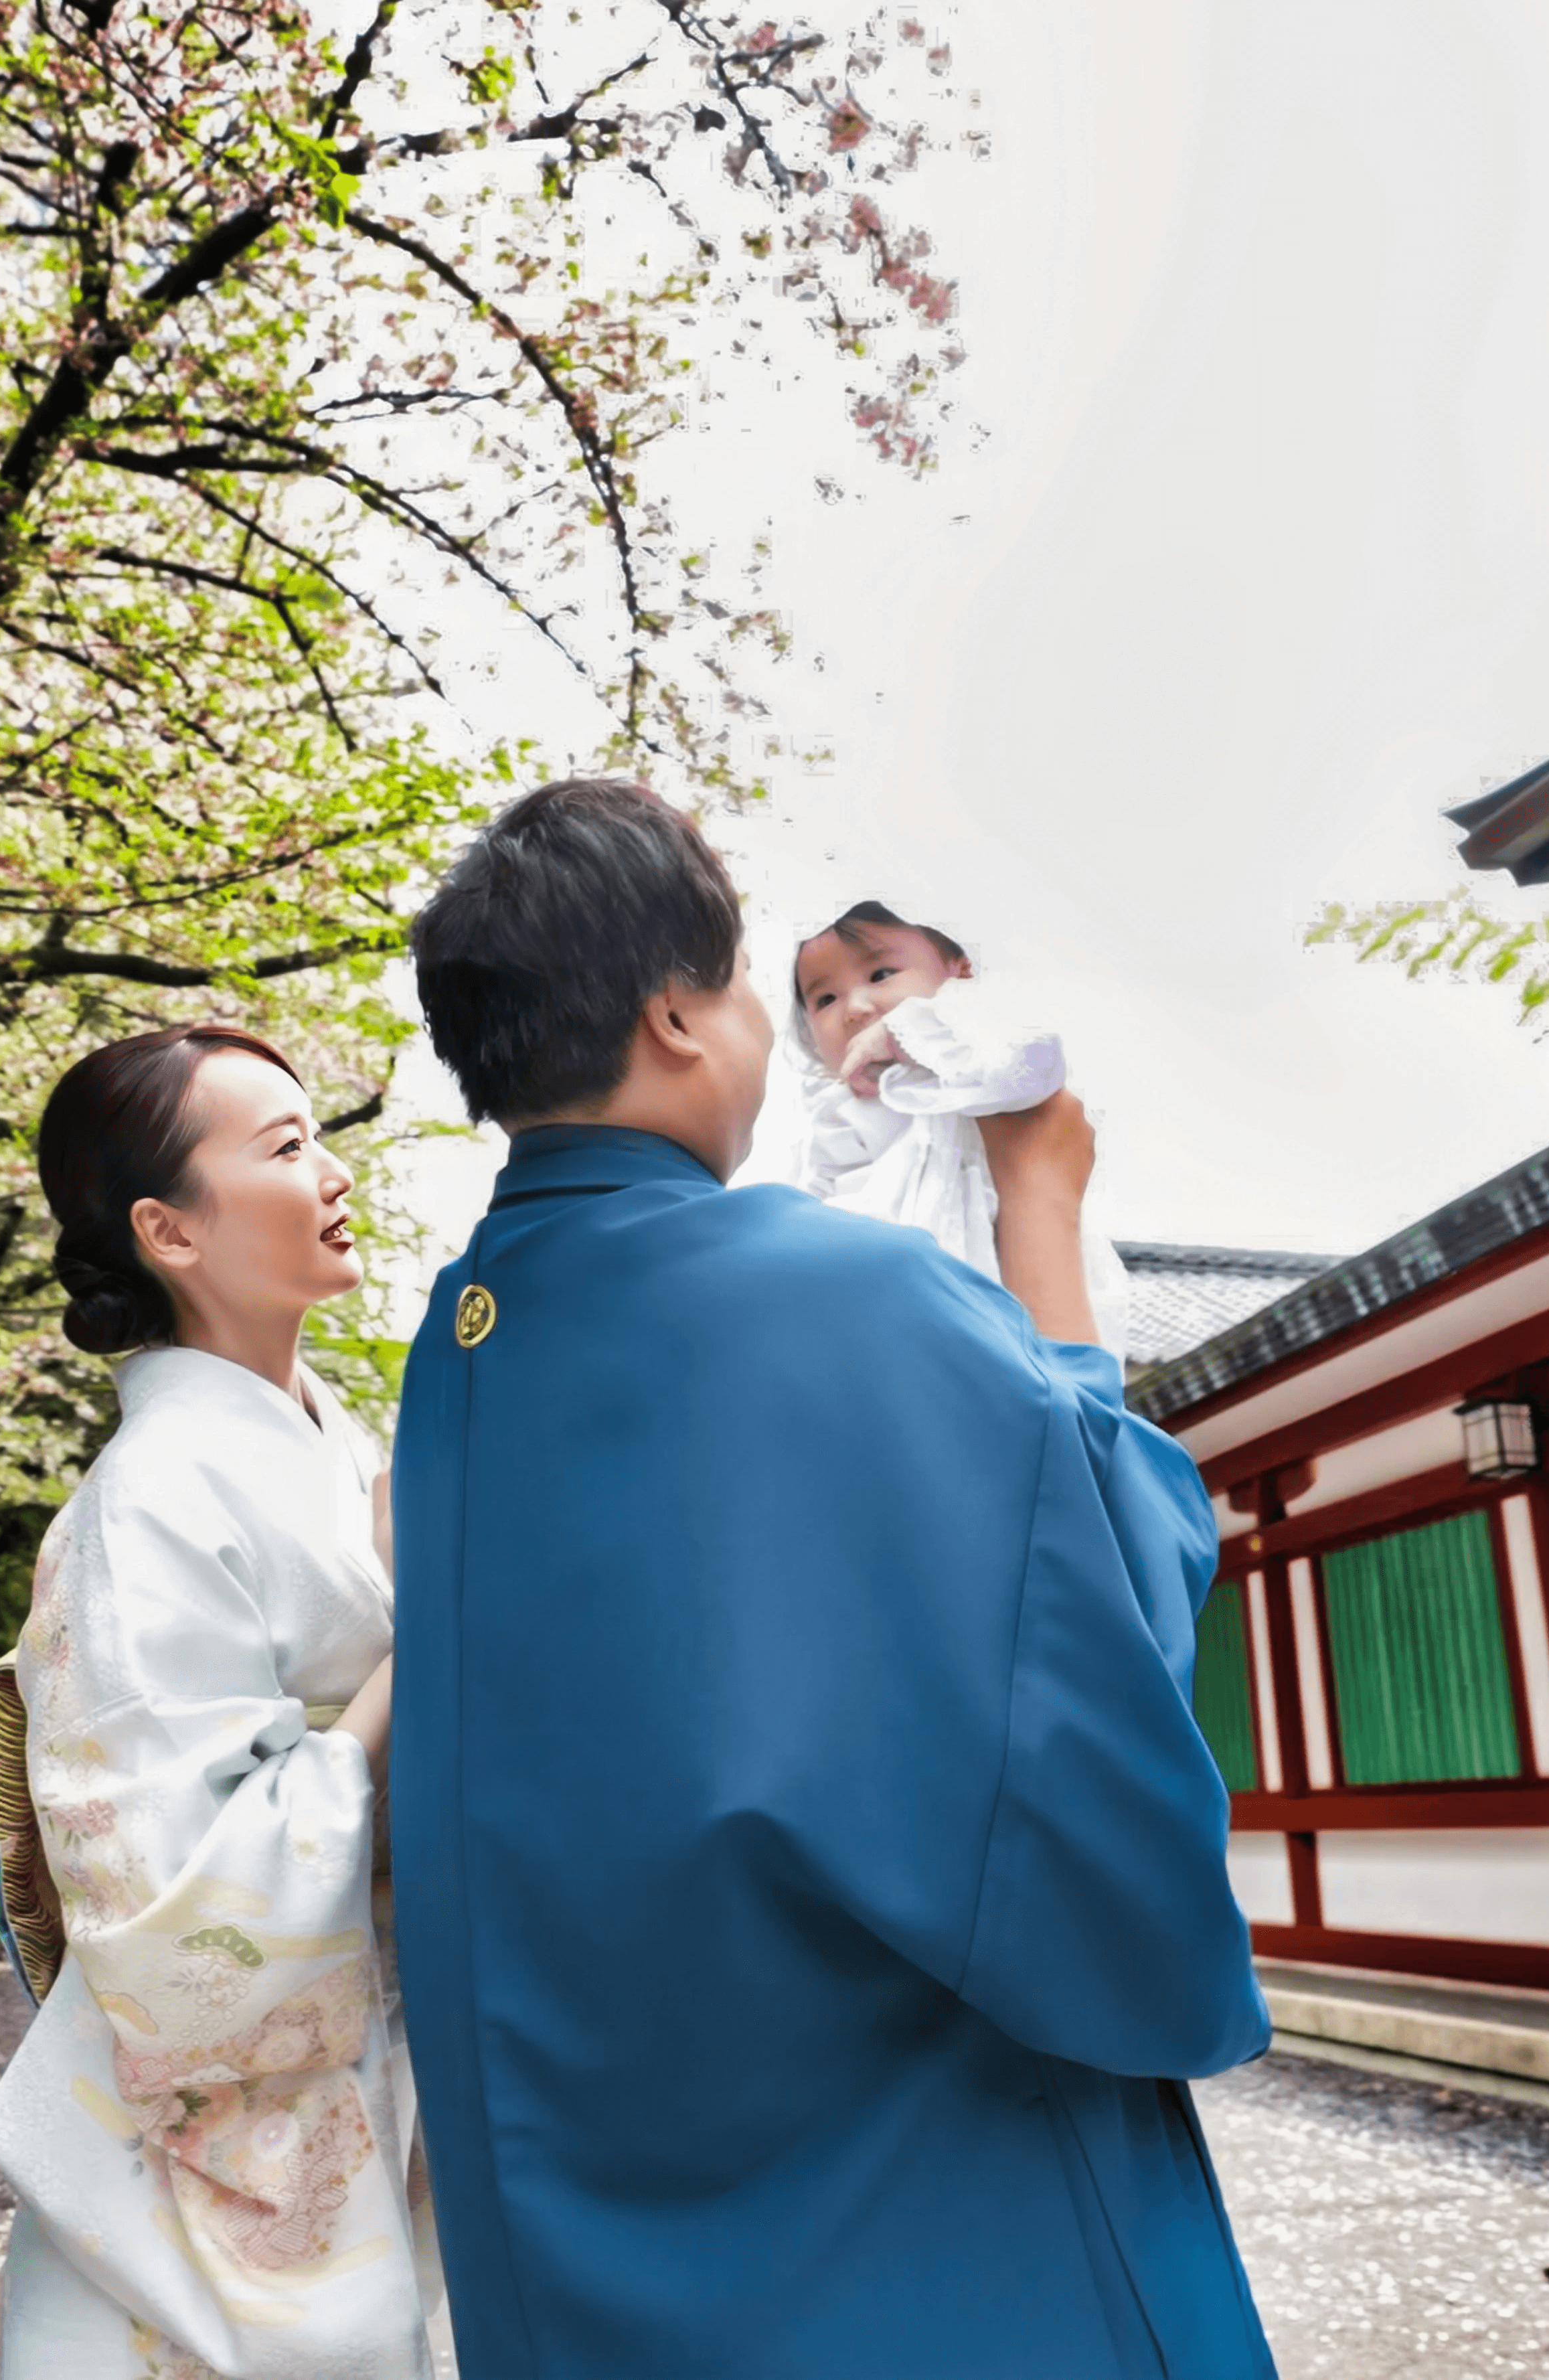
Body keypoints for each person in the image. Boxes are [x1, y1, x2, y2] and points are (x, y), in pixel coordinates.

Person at [390, 779, 1276, 2380]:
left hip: (592, 2194)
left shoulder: (462, 1340)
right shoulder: (843, 1288)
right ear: (673, 1012)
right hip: (904, 2178)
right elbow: (1092, 1644)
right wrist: (1042, 1212)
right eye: (749, 984)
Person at [0, 1024, 440, 2380]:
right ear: (168, 1231)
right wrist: (429, 1629)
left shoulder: (326, 1436)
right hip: (237, 2115)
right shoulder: (151, 1495)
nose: (335, 1172)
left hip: (381, 2060)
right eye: (288, 1146)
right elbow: (182, 1909)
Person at [791, 898, 1132, 1362]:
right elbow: (815, 1202)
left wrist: (908, 1034)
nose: (854, 1006)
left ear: (958, 970)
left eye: (880, 975)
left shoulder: (967, 1051)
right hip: (893, 1313)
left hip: (1007, 1284)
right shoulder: (837, 1111)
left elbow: (1033, 1064)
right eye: (824, 999)